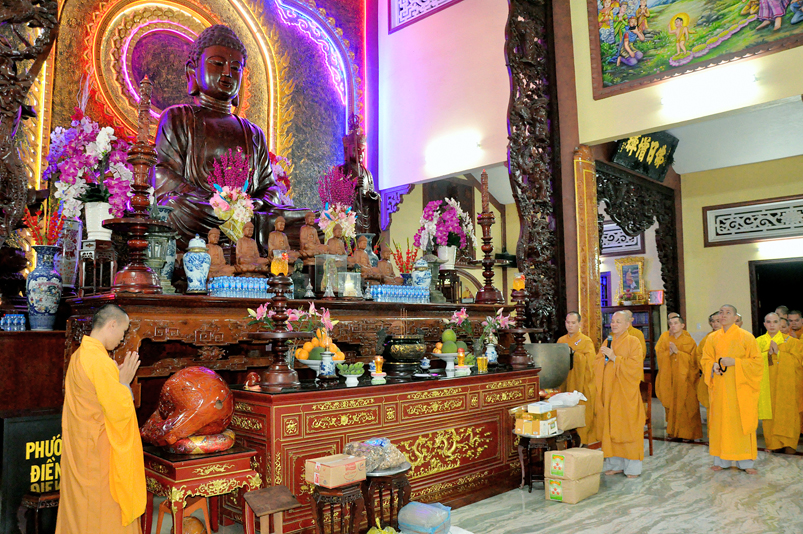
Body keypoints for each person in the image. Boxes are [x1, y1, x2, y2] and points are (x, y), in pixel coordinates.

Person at [153, 25, 300, 251]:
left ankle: (246, 231)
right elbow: (162, 173)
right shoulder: (178, 117)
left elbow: (269, 187)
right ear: (192, 71)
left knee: (305, 220)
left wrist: (255, 203)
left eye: (235, 67)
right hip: (200, 213)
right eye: (218, 63)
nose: (227, 73)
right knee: (175, 208)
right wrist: (216, 203)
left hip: (248, 215)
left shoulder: (253, 132)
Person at [56, 304, 144, 533]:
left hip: (80, 449)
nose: (122, 339)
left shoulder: (79, 355)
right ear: (111, 325)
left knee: (79, 509)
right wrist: (124, 383)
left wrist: (116, 380)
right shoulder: (100, 362)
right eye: (123, 332)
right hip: (98, 455)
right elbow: (119, 412)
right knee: (103, 512)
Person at [701, 304, 762, 474]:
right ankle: (721, 460)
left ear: (736, 318)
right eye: (721, 312)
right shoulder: (712, 338)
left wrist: (736, 362)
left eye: (728, 313)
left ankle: (746, 462)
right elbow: (705, 359)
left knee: (740, 424)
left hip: (740, 390)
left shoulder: (746, 337)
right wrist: (713, 366)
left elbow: (757, 363)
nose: (723, 315)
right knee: (721, 424)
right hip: (720, 389)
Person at [595, 311, 645, 478]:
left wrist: (615, 358)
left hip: (626, 393)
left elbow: (635, 367)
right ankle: (615, 464)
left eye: (618, 321)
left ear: (627, 324)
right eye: (612, 321)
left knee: (628, 428)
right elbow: (597, 362)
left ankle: (632, 468)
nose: (614, 324)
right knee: (611, 427)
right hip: (610, 392)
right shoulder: (608, 340)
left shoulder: (633, 341)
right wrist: (603, 360)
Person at [757, 313, 803, 453]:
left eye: (775, 322)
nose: (772, 325)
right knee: (770, 415)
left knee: (789, 414)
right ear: (764, 324)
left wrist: (779, 353)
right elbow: (751, 363)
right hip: (766, 387)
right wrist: (766, 355)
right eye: (768, 322)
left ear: (780, 324)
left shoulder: (792, 342)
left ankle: (789, 444)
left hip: (787, 387)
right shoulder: (758, 342)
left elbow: (799, 363)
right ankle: (773, 444)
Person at [655, 315, 702, 441]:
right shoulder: (665, 340)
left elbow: (694, 362)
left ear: (682, 325)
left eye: (675, 323)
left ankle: (689, 434)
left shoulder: (689, 341)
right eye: (670, 324)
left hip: (685, 379)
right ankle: (674, 433)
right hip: (670, 379)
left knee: (687, 406)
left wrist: (678, 353)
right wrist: (668, 354)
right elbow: (659, 355)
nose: (673, 326)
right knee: (672, 404)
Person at [557, 312, 597, 445]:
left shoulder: (586, 341)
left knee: (582, 410)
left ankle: (583, 439)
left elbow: (591, 363)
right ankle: (564, 439)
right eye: (568, 322)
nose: (570, 325)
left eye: (573, 323)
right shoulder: (561, 340)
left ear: (580, 324)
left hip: (581, 383)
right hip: (566, 381)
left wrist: (574, 355)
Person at [694, 312, 721, 411]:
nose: (715, 324)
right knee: (712, 405)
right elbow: (699, 355)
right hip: (711, 375)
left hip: (727, 376)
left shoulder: (731, 336)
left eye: (718, 321)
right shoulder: (707, 339)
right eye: (713, 321)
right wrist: (709, 366)